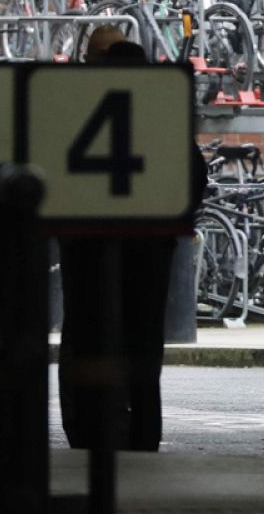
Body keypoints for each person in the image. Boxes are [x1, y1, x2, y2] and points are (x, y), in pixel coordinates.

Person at [56, 38, 201, 451]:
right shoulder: (163, 113)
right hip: (149, 248)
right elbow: (194, 177)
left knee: (88, 336)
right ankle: (143, 433)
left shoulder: (76, 109)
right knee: (143, 345)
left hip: (88, 248)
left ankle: (89, 431)